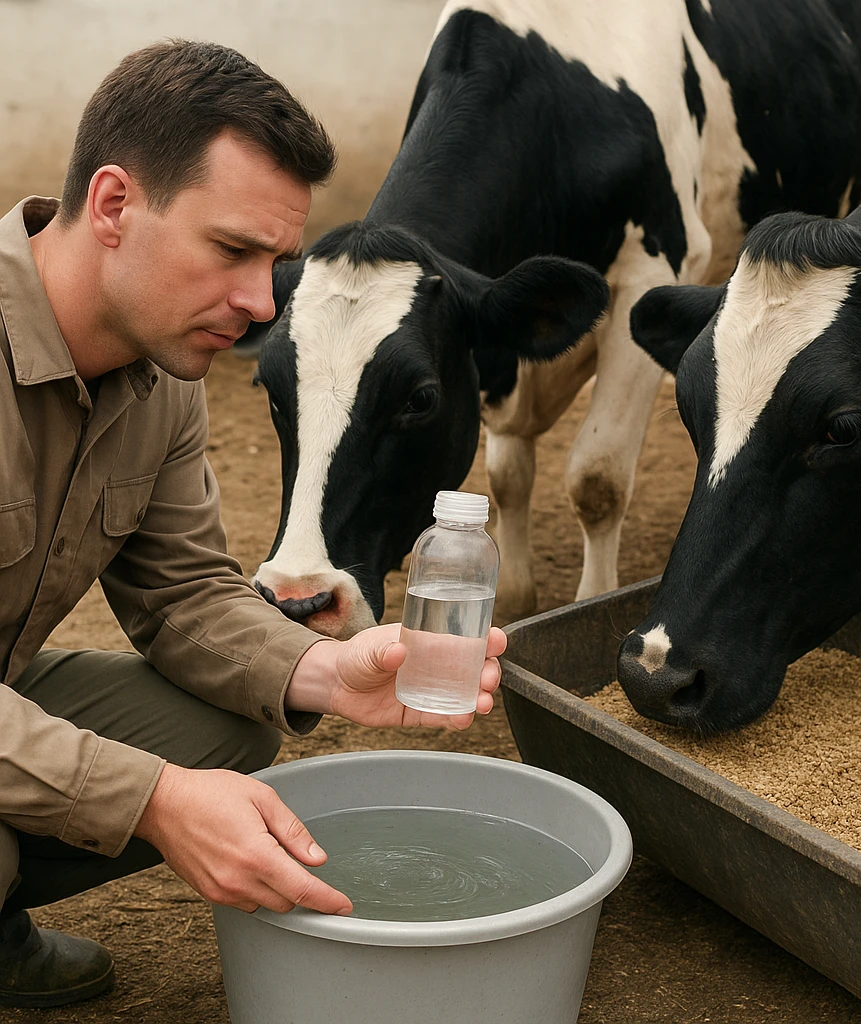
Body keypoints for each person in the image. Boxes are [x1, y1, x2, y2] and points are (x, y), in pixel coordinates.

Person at [0, 39, 505, 1010]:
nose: (261, 302)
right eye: (233, 251)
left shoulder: (162, 367)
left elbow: (184, 592)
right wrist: (153, 799)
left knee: (226, 720)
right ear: (113, 207)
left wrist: (327, 670)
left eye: (277, 261)